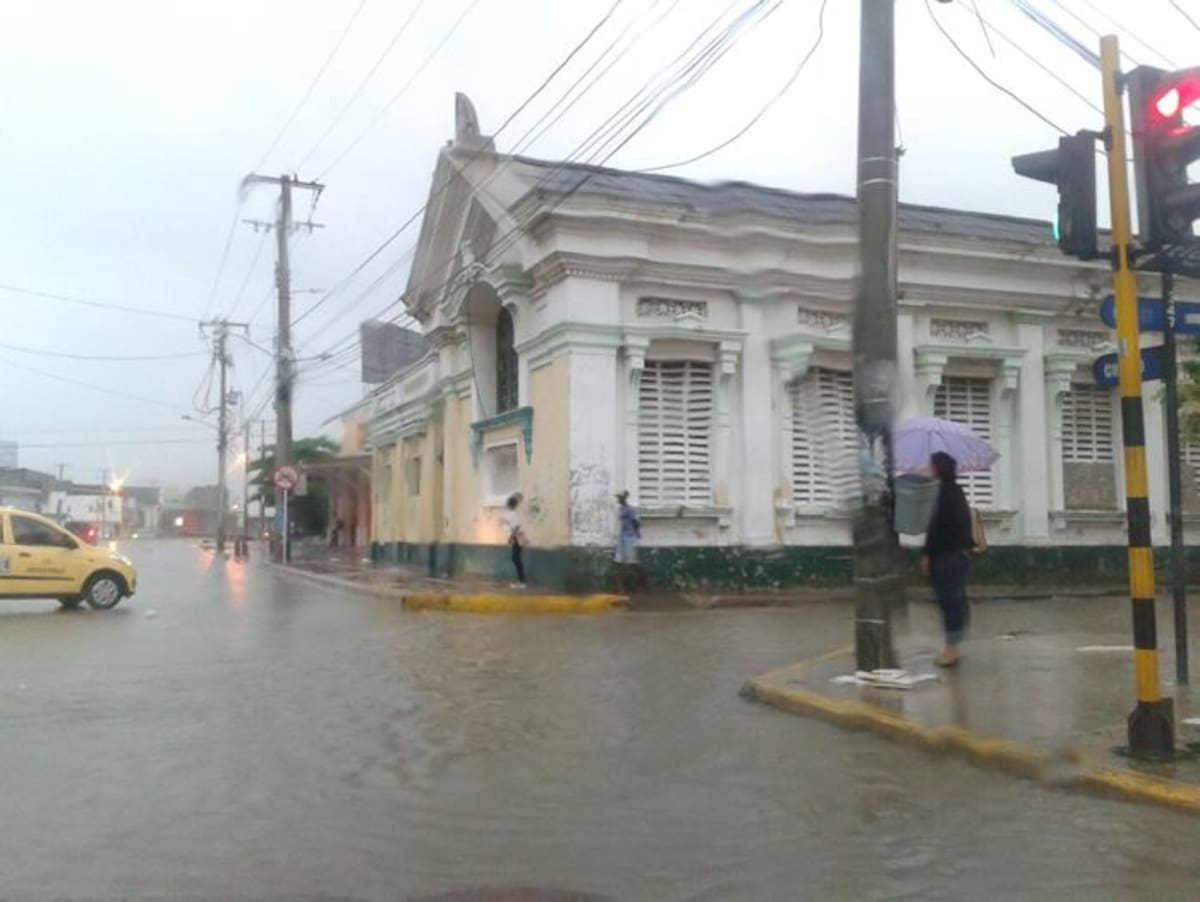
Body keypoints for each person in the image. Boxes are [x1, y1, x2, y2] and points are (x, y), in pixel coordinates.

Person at [921, 450, 975, 668]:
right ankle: (953, 645)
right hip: (957, 555)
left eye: (931, 466)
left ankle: (951, 649)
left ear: (938, 469)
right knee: (953, 600)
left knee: (949, 601)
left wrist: (927, 553)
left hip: (945, 556)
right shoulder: (956, 492)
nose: (929, 470)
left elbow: (936, 530)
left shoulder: (942, 494)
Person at [612, 491, 641, 593]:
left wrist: (636, 535)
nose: (618, 500)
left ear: (624, 498)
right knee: (619, 563)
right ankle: (620, 588)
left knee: (631, 563)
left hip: (629, 538)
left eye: (619, 498)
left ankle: (645, 583)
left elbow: (636, 522)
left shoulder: (630, 510)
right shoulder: (621, 509)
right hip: (622, 538)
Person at [503, 493, 526, 586]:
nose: (506, 505)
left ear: (510, 505)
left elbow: (516, 527)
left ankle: (522, 581)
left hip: (518, 537)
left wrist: (511, 537)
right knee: (516, 558)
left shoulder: (514, 514)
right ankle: (521, 580)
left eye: (507, 503)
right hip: (517, 536)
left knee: (515, 558)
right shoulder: (513, 514)